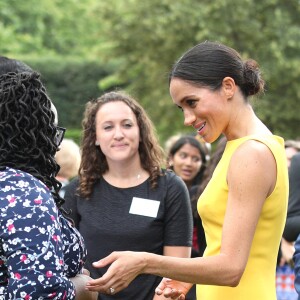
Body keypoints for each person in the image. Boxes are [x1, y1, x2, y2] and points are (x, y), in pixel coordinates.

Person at [85, 41, 289, 300]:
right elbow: (224, 252)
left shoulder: (252, 153)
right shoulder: (242, 147)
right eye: (182, 107)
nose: (188, 118)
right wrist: (186, 277)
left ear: (228, 87)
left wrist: (145, 262)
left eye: (192, 102)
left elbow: (230, 269)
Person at [63, 91, 193, 299]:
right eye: (108, 127)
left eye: (127, 125)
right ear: (95, 137)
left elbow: (177, 271)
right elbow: (67, 268)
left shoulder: (170, 188)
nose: (118, 134)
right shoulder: (76, 191)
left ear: (140, 131)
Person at [0, 56, 97, 299]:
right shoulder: (21, 192)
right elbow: (40, 294)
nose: (53, 146)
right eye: (48, 130)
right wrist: (82, 287)